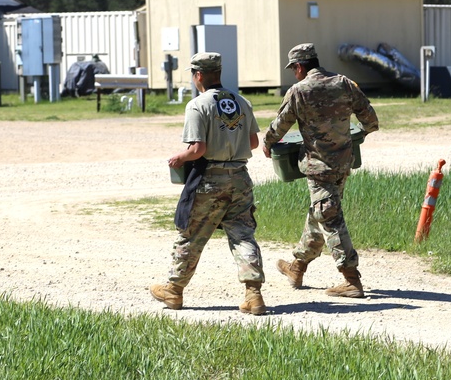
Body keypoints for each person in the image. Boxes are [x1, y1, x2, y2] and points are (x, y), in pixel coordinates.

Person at [150, 51, 267, 315]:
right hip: (240, 178)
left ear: (199, 75)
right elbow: (252, 143)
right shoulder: (242, 101)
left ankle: (174, 290)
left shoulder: (198, 105)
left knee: (191, 234)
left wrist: (180, 158)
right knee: (242, 234)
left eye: (193, 75)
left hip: (210, 180)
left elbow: (198, 149)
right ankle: (253, 295)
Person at [263, 42, 379, 298]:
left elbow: (280, 125)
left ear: (300, 66)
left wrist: (268, 142)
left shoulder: (299, 91)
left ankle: (351, 279)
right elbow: (371, 121)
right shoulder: (345, 83)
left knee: (328, 215)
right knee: (321, 212)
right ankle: (298, 266)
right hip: (343, 163)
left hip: (318, 167)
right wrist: (351, 137)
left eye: (294, 68)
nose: (294, 73)